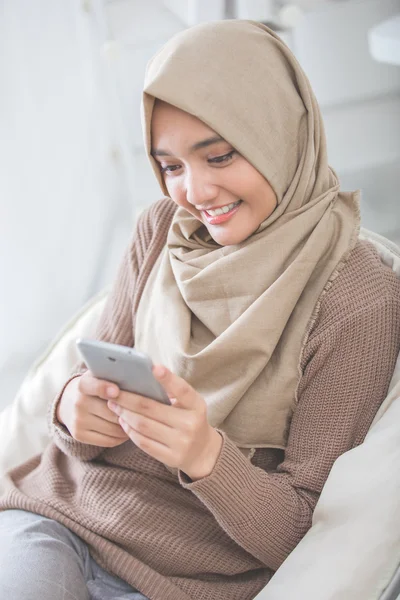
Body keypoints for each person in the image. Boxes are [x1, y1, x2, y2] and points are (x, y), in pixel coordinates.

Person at [1, 19, 400, 600]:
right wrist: (72, 410)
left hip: (188, 579)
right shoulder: (161, 228)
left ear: (280, 134)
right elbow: (89, 394)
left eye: (219, 156)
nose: (195, 192)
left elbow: (306, 534)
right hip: (56, 520)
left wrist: (206, 455)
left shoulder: (355, 297)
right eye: (170, 166)